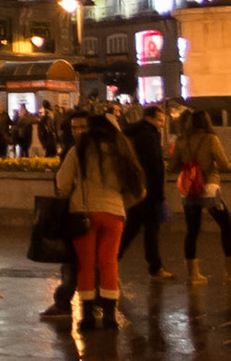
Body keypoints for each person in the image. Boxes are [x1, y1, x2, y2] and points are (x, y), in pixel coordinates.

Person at [53, 113, 144, 331]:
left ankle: (87, 315)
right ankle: (110, 315)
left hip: (84, 215)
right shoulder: (121, 151)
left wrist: (70, 197)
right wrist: (120, 204)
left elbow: (62, 183)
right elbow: (138, 190)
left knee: (86, 265)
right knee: (109, 263)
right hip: (113, 215)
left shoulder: (79, 151)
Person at [167, 107, 231, 286]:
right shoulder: (211, 139)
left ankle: (193, 274)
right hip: (209, 188)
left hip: (189, 189)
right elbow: (223, 163)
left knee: (192, 230)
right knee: (226, 226)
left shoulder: (181, 141)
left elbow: (172, 166)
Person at [117, 105, 174, 281]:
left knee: (133, 229)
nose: (161, 125)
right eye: (159, 120)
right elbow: (154, 166)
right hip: (148, 191)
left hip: (137, 189)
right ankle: (155, 268)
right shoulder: (147, 136)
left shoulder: (134, 133)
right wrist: (159, 194)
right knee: (149, 231)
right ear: (149, 118)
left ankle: (110, 261)